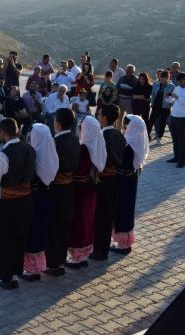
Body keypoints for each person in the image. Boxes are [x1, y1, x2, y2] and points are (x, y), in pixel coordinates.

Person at [0, 118, 36, 289]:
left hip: (9, 203)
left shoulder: (2, 154)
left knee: (4, 241)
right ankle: (16, 272)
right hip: (27, 199)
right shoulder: (29, 148)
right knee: (20, 238)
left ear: (2, 133)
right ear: (17, 130)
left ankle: (6, 277)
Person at [44, 108, 81, 276]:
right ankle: (60, 260)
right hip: (69, 188)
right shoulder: (75, 139)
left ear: (57, 122)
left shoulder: (54, 142)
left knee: (54, 227)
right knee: (65, 226)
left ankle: (52, 264)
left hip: (56, 189)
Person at [66, 115, 106, 268]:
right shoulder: (97, 143)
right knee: (88, 220)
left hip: (80, 190)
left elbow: (75, 169)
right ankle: (83, 255)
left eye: (82, 128)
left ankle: (77, 257)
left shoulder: (83, 148)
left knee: (79, 222)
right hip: (90, 188)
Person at [22, 123, 59, 280]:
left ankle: (31, 270)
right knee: (41, 229)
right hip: (46, 196)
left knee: (32, 230)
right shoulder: (51, 152)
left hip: (35, 198)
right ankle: (38, 265)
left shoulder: (33, 154)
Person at [91, 105, 126, 260]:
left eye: (99, 114)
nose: (98, 116)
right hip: (114, 179)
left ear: (104, 117)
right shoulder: (119, 134)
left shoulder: (102, 135)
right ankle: (103, 249)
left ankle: (98, 250)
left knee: (100, 216)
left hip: (102, 180)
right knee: (108, 215)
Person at [111, 115, 149, 255]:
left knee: (121, 210)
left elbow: (120, 163)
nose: (124, 127)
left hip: (123, 182)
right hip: (131, 181)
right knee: (127, 209)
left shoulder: (128, 144)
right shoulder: (137, 141)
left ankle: (123, 244)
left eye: (126, 125)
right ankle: (124, 241)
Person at [167, 72, 185, 168]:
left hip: (183, 117)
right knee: (175, 138)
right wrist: (168, 97)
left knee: (181, 139)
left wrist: (177, 97)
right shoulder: (177, 88)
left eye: (181, 81)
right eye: (178, 82)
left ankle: (182, 160)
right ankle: (176, 157)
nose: (180, 83)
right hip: (174, 115)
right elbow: (171, 100)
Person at [148, 70, 174, 144]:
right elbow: (153, 95)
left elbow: (173, 97)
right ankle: (146, 136)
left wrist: (170, 104)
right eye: (161, 77)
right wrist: (152, 103)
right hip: (156, 106)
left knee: (162, 123)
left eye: (163, 78)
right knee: (151, 121)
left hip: (165, 107)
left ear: (167, 78)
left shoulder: (171, 86)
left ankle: (159, 138)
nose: (162, 79)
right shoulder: (156, 85)